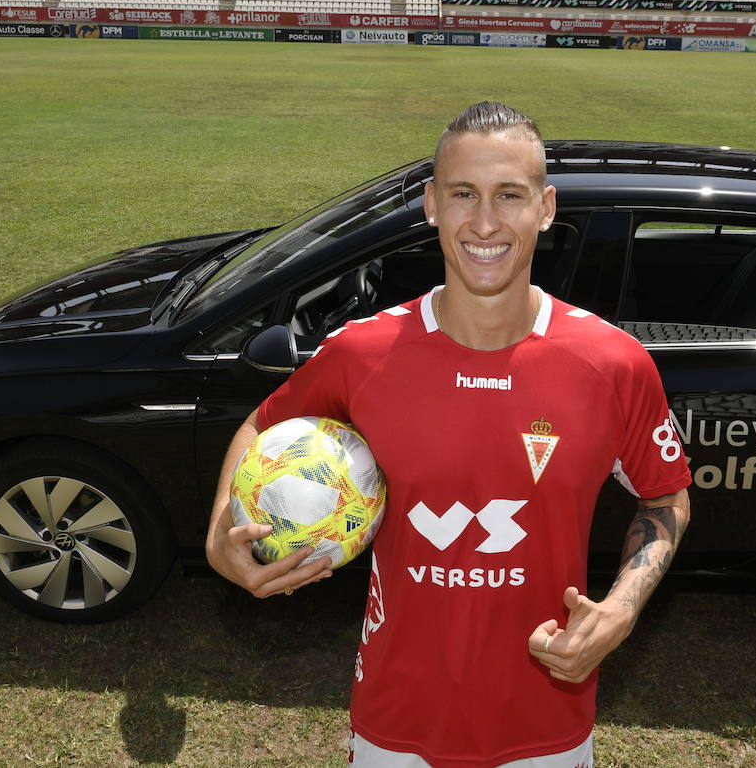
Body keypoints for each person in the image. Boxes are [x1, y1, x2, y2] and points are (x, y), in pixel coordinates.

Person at [206, 102, 692, 768]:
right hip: (396, 721)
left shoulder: (612, 363)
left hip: (545, 722)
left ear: (546, 208)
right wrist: (217, 534)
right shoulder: (363, 353)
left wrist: (620, 609)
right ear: (432, 204)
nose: (485, 222)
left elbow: (666, 498)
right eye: (463, 194)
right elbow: (262, 425)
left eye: (510, 196)